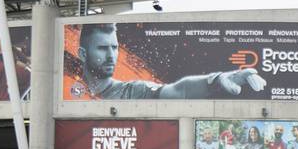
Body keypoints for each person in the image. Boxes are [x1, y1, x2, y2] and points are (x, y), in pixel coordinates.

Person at [72, 23, 267, 99]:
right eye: (102, 48)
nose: (111, 56)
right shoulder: (68, 91)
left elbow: (178, 89)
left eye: (114, 48)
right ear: (82, 54)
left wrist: (216, 80)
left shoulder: (133, 91)